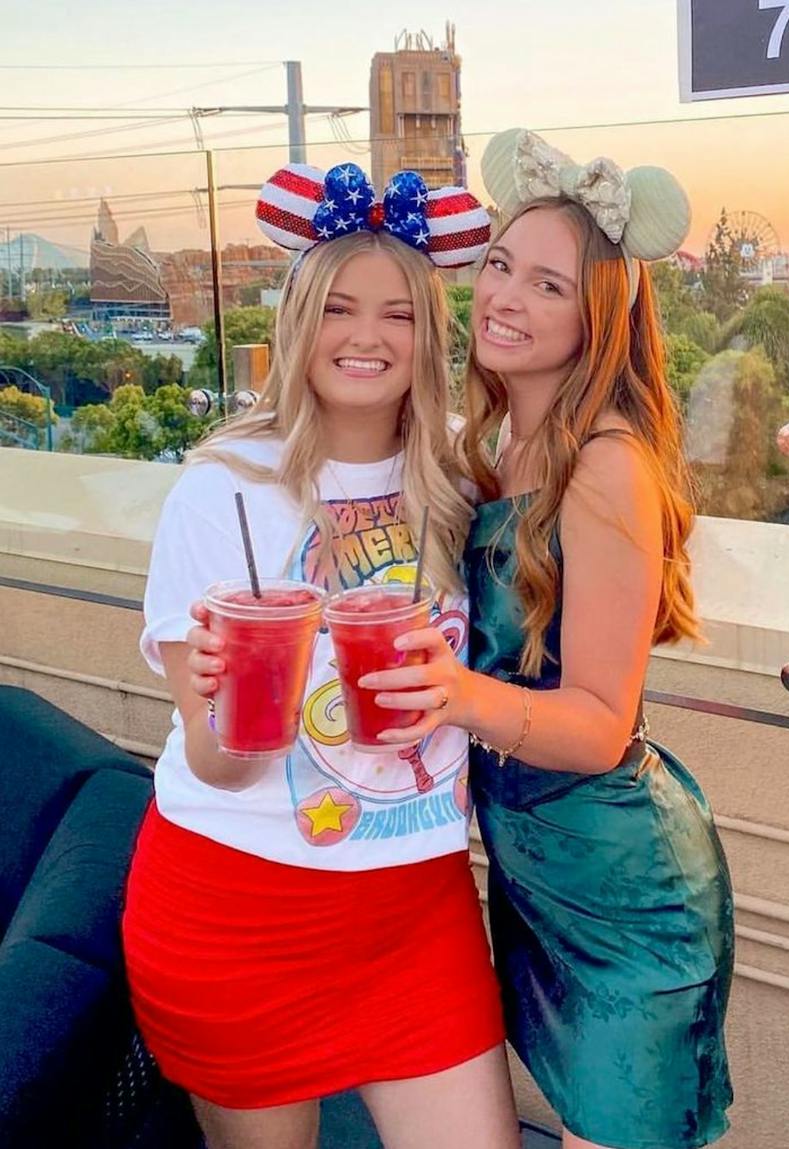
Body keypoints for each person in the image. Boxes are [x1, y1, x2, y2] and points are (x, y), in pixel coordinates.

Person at [121, 161, 520, 1149]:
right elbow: (220, 760)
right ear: (302, 323)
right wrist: (230, 700)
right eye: (341, 308)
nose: (368, 336)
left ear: (430, 337)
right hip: (238, 911)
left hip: (415, 910)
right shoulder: (219, 492)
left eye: (400, 314)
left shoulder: (463, 476)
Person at [359, 130, 734, 1149]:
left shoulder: (606, 465)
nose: (507, 300)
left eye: (550, 287)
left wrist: (453, 694)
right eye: (499, 268)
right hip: (536, 882)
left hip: (622, 889)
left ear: (597, 317)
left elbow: (602, 728)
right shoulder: (495, 448)